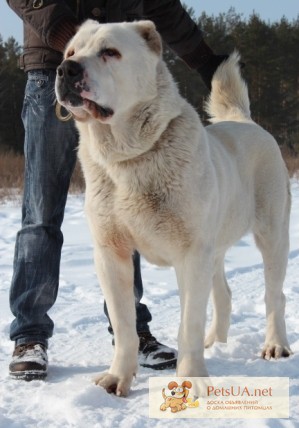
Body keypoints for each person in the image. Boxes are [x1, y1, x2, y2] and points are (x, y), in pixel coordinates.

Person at [7, 0, 228, 381]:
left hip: (120, 79)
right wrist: (64, 36)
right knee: (41, 213)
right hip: (52, 70)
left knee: (129, 215)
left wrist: (207, 61)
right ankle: (30, 335)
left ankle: (133, 334)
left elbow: (163, 9)